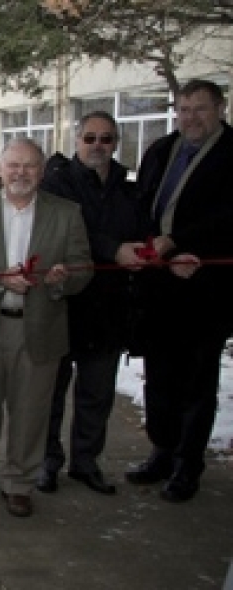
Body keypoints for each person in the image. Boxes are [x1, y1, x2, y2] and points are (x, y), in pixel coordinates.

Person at [0, 138, 92, 518]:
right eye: (13, 165)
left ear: (42, 172)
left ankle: (19, 483)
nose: (20, 173)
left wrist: (63, 278)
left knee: (30, 411)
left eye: (29, 166)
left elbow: (83, 266)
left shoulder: (67, 213)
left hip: (40, 326)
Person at [126, 79, 233, 502]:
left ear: (220, 108)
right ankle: (162, 451)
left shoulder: (230, 153)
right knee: (160, 378)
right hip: (159, 288)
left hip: (205, 289)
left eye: (200, 109)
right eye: (183, 109)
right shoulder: (161, 150)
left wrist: (184, 245)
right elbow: (143, 204)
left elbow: (228, 216)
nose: (190, 118)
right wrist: (146, 245)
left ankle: (188, 464)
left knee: (196, 382)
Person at [35, 111, 145, 495]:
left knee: (96, 395)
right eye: (90, 138)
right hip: (64, 306)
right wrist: (114, 249)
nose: (98, 145)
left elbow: (140, 231)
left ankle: (86, 462)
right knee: (51, 394)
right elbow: (71, 234)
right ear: (77, 140)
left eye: (106, 139)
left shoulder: (128, 188)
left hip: (109, 308)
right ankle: (47, 461)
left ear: (116, 143)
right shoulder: (56, 184)